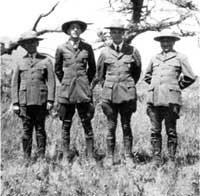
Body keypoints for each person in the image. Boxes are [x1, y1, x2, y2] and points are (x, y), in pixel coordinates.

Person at [143, 30, 196, 166]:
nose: (165, 43)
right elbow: (147, 76)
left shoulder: (180, 57)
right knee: (155, 131)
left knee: (171, 130)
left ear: (173, 42)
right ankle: (156, 159)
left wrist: (175, 87)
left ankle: (171, 159)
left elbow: (190, 77)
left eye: (168, 41)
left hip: (171, 100)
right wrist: (157, 87)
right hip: (154, 99)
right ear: (160, 43)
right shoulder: (154, 58)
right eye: (163, 41)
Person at [96, 19, 142, 167]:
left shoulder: (132, 51)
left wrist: (126, 85)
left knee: (126, 126)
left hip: (127, 95)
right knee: (110, 126)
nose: (116, 35)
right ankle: (110, 157)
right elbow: (100, 75)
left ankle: (128, 157)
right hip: (109, 95)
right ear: (110, 34)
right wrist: (109, 87)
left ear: (123, 34)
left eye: (119, 32)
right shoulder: (104, 52)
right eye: (113, 32)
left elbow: (136, 73)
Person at [55, 19, 96, 162]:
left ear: (81, 31)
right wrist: (67, 81)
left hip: (83, 91)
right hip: (67, 91)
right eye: (72, 28)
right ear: (68, 31)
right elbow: (58, 69)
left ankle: (90, 156)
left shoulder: (87, 48)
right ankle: (66, 156)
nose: (75, 30)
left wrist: (84, 82)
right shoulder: (61, 48)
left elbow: (92, 69)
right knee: (66, 123)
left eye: (78, 28)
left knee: (87, 122)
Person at [12, 31, 56, 161]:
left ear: (37, 43)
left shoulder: (46, 61)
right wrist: (15, 103)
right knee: (26, 130)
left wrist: (50, 100)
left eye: (33, 42)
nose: (30, 45)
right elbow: (15, 83)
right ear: (24, 46)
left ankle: (41, 157)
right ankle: (27, 158)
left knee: (40, 129)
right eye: (27, 43)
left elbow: (51, 82)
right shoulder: (20, 62)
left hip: (40, 101)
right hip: (24, 101)